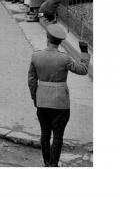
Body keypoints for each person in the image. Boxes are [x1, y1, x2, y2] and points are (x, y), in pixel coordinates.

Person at [28, 25, 90, 166]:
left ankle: (46, 162)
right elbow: (83, 69)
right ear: (60, 42)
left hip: (42, 102)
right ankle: (53, 164)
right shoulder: (64, 58)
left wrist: (35, 97)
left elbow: (31, 81)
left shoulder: (36, 56)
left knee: (45, 133)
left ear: (47, 38)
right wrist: (84, 52)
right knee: (58, 136)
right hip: (60, 103)